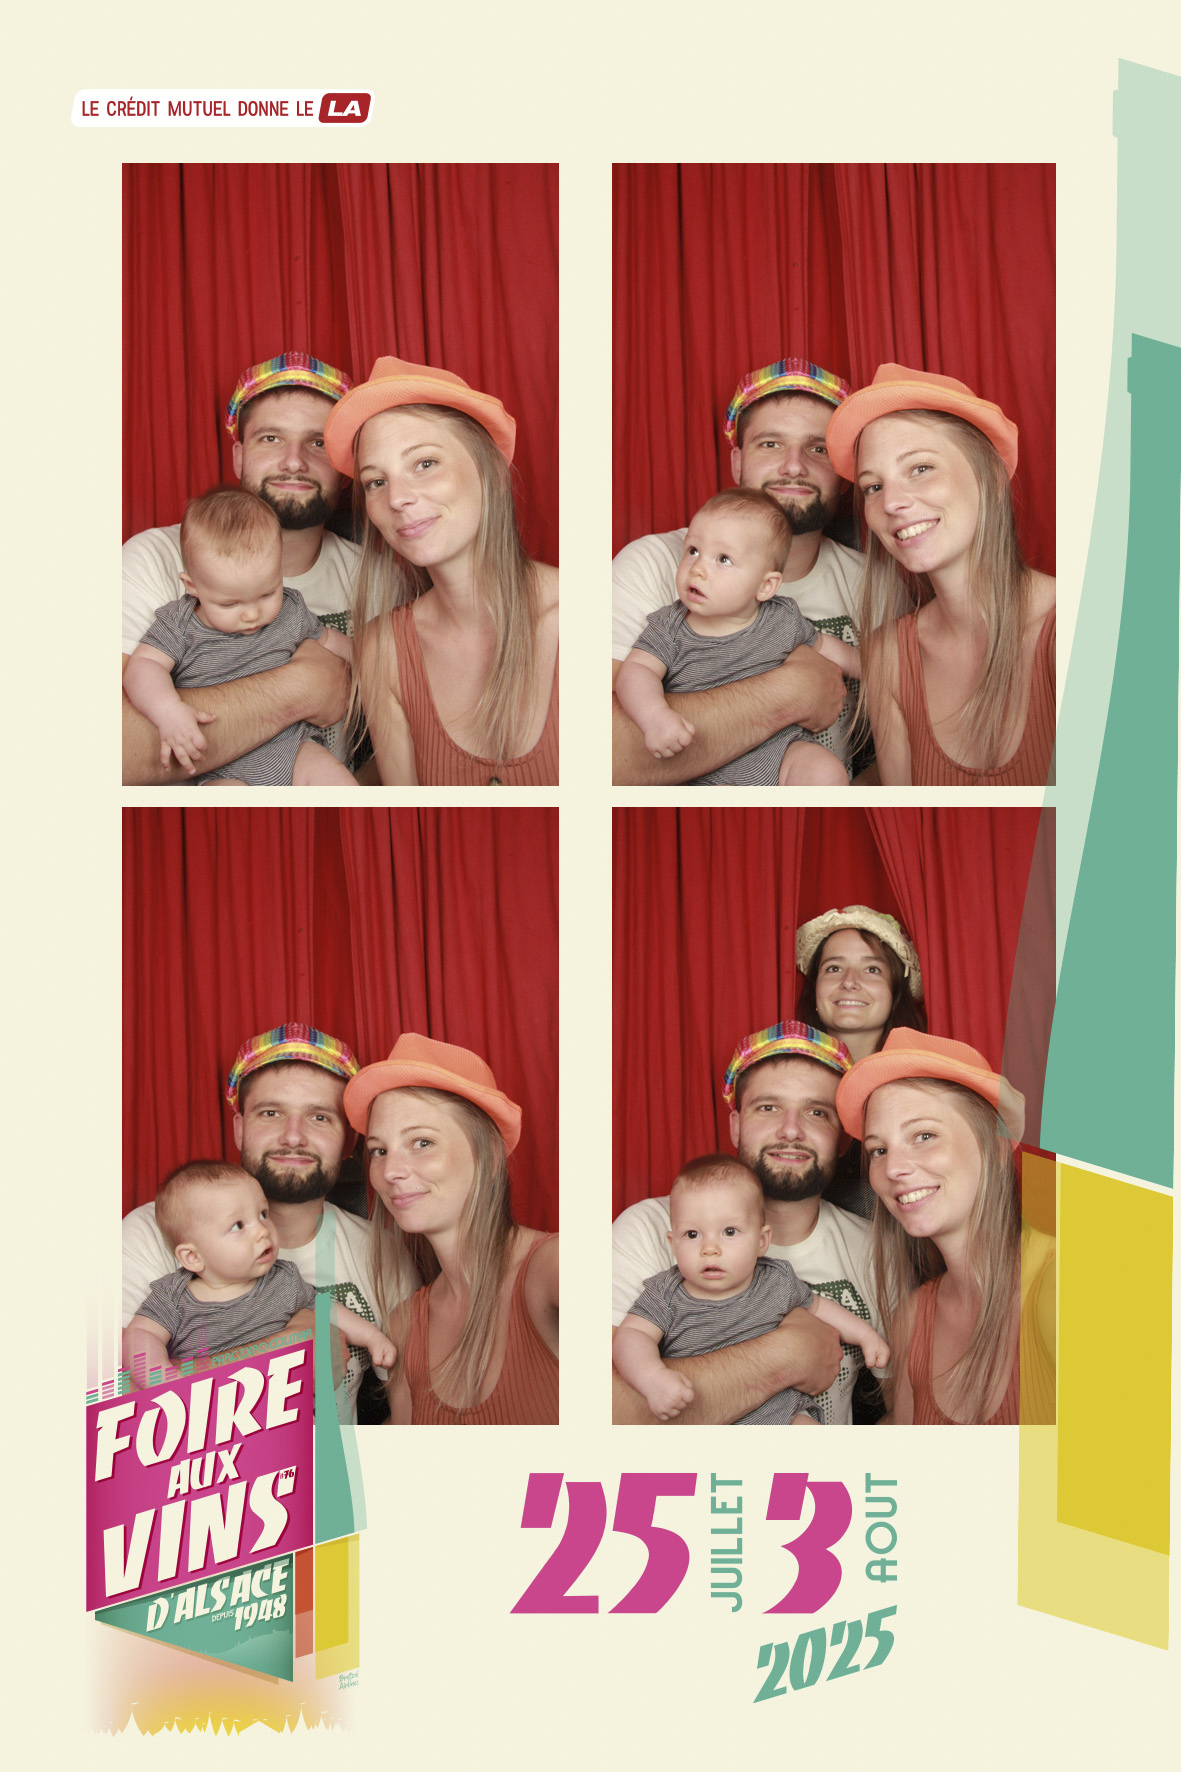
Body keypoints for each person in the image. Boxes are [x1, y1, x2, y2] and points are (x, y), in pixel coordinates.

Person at [121, 1022, 416, 1425]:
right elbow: (105, 1410)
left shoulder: (384, 1255)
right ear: (240, 1128)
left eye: (319, 1117)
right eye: (271, 1113)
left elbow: (408, 1413)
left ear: (349, 1141)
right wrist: (287, 1347)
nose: (293, 1137)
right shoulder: (151, 1233)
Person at [612, 1022, 881, 1426]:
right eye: (768, 1107)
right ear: (736, 1125)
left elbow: (903, 1409)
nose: (791, 1130)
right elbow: (600, 1408)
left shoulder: (875, 1250)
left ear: (842, 1139)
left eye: (817, 1112)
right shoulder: (646, 1230)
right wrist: (787, 1355)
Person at [612, 357, 862, 784]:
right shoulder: (654, 565)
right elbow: (593, 751)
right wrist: (793, 692)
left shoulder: (872, 582)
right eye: (770, 444)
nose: (794, 465)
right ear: (737, 462)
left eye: (818, 448)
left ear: (844, 473)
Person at [322, 357, 558, 786]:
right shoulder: (382, 650)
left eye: (425, 464)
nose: (397, 498)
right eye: (376, 482)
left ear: (491, 471)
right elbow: (407, 818)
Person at [123, 351, 357, 784]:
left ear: (345, 468)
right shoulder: (154, 559)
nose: (294, 461)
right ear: (239, 456)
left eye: (318, 442)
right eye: (270, 438)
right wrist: (301, 688)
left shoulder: (375, 575)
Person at [826, 364, 1056, 786]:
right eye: (873, 486)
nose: (891, 502)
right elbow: (904, 819)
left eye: (920, 468)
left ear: (989, 476)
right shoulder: (887, 656)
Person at [836, 1030, 1055, 1425]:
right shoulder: (911, 1317)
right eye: (878, 1150)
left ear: (995, 1148)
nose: (893, 1168)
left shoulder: (1064, 1283)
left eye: (924, 1135)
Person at [344, 1034, 559, 1424]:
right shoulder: (405, 1324)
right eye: (379, 1150)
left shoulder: (552, 1268)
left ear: (489, 1154)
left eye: (422, 1142)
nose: (390, 1171)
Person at [613, 1154, 888, 1422]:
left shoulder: (774, 1280)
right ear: (673, 1244)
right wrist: (651, 1377)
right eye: (692, 1234)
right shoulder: (665, 1293)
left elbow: (819, 1307)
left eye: (729, 1232)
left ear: (761, 1241)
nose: (710, 1248)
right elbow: (632, 1336)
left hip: (783, 1413)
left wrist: (866, 1336)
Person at [614, 489, 860, 785]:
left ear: (766, 586)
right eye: (693, 551)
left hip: (779, 752)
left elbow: (827, 648)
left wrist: (875, 671)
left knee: (824, 770)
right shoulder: (670, 625)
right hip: (700, 765)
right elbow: (637, 671)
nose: (698, 569)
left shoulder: (781, 617)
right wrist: (654, 716)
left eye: (723, 559)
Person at [123, 489, 356, 784]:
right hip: (220, 766)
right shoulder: (179, 623)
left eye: (267, 593)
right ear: (192, 586)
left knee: (336, 781)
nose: (252, 614)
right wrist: (166, 710)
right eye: (230, 604)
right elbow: (144, 666)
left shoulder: (290, 608)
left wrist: (369, 660)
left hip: (293, 748)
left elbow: (330, 640)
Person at [123, 1160, 396, 1377]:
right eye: (238, 1226)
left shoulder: (283, 1278)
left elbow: (324, 1308)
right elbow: (142, 1334)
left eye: (263, 1214)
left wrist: (372, 1337)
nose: (263, 1231)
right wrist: (159, 1377)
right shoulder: (173, 1296)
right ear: (192, 1257)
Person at [794, 904, 927, 1219]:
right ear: (814, 990)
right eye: (834, 968)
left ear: (895, 992)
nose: (850, 982)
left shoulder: (923, 1086)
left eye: (872, 969)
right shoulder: (788, 1081)